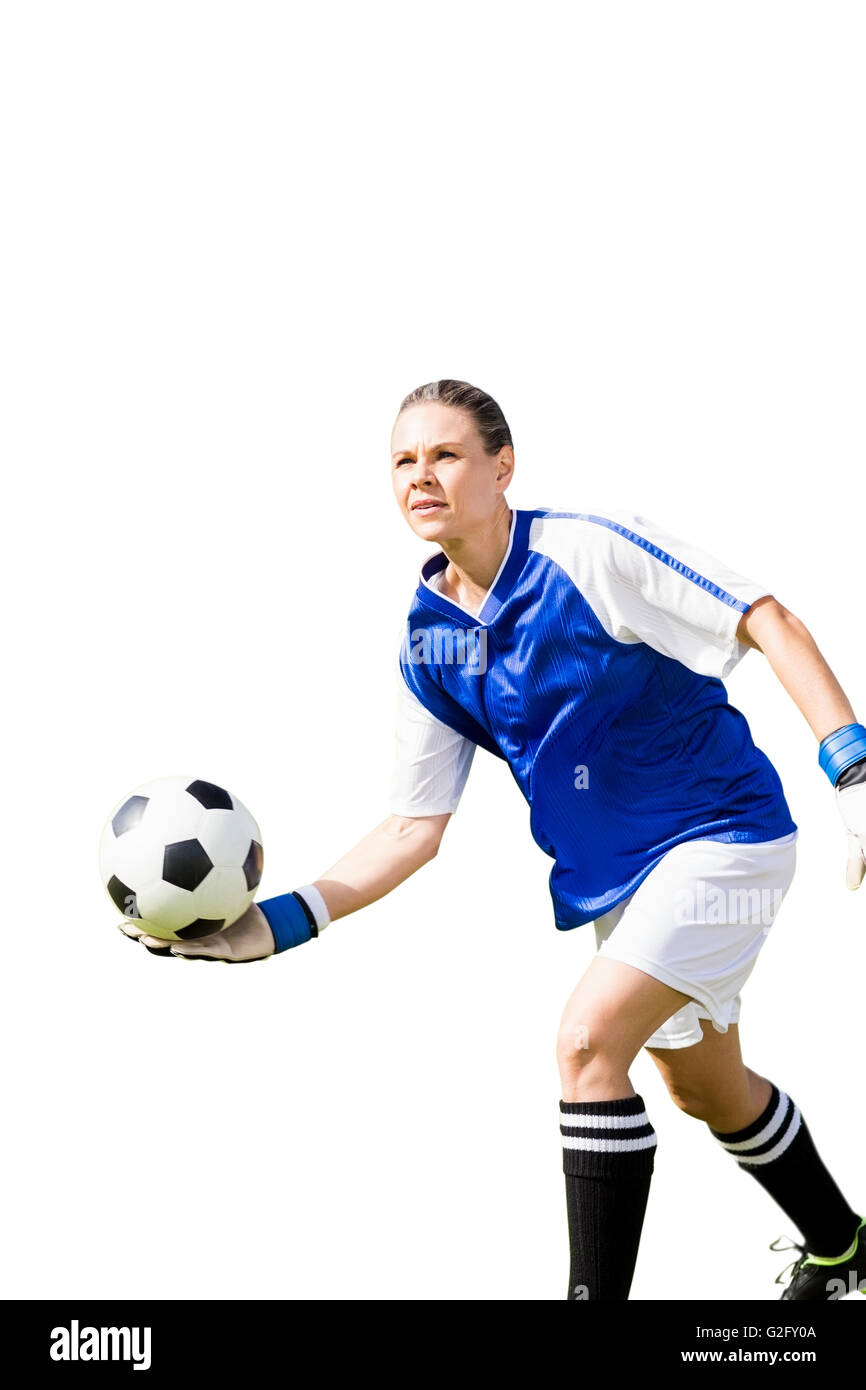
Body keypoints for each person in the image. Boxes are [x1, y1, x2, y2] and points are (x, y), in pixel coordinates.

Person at [119, 379, 866, 1302]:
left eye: (445, 454)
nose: (420, 475)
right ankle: (845, 1254)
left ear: (502, 466)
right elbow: (412, 826)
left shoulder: (586, 550)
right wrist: (277, 921)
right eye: (402, 459)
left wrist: (852, 766)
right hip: (616, 882)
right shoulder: (428, 642)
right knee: (710, 1092)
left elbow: (766, 618)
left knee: (587, 1047)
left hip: (722, 838)